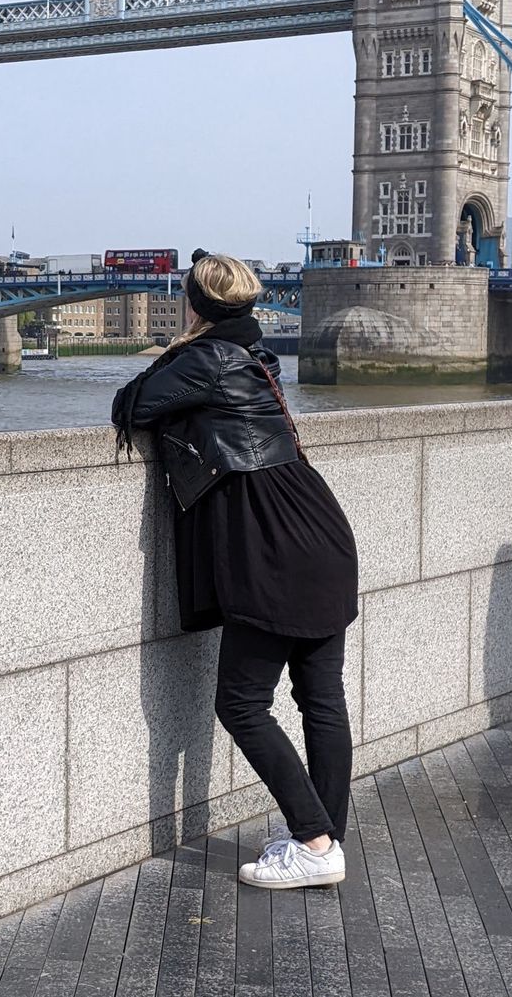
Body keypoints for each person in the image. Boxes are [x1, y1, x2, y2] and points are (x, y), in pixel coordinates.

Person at [112, 250, 359, 889]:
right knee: (321, 699)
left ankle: (312, 840)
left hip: (270, 540)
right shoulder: (258, 357)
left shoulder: (204, 358)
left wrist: (169, 352)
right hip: (318, 525)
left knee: (243, 702)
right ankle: (326, 835)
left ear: (196, 304)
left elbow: (132, 405)